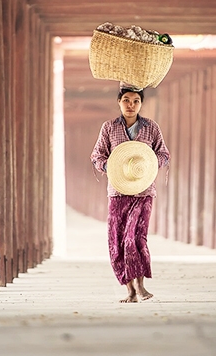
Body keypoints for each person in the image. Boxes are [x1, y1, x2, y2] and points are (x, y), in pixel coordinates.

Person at [90, 85, 170, 303]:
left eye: (136, 101)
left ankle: (141, 286)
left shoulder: (151, 128)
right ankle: (130, 290)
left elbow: (163, 153)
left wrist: (150, 166)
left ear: (141, 104)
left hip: (144, 192)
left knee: (136, 238)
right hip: (117, 192)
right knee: (117, 240)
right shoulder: (109, 128)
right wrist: (112, 168)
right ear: (119, 102)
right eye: (126, 100)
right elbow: (97, 155)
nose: (131, 105)